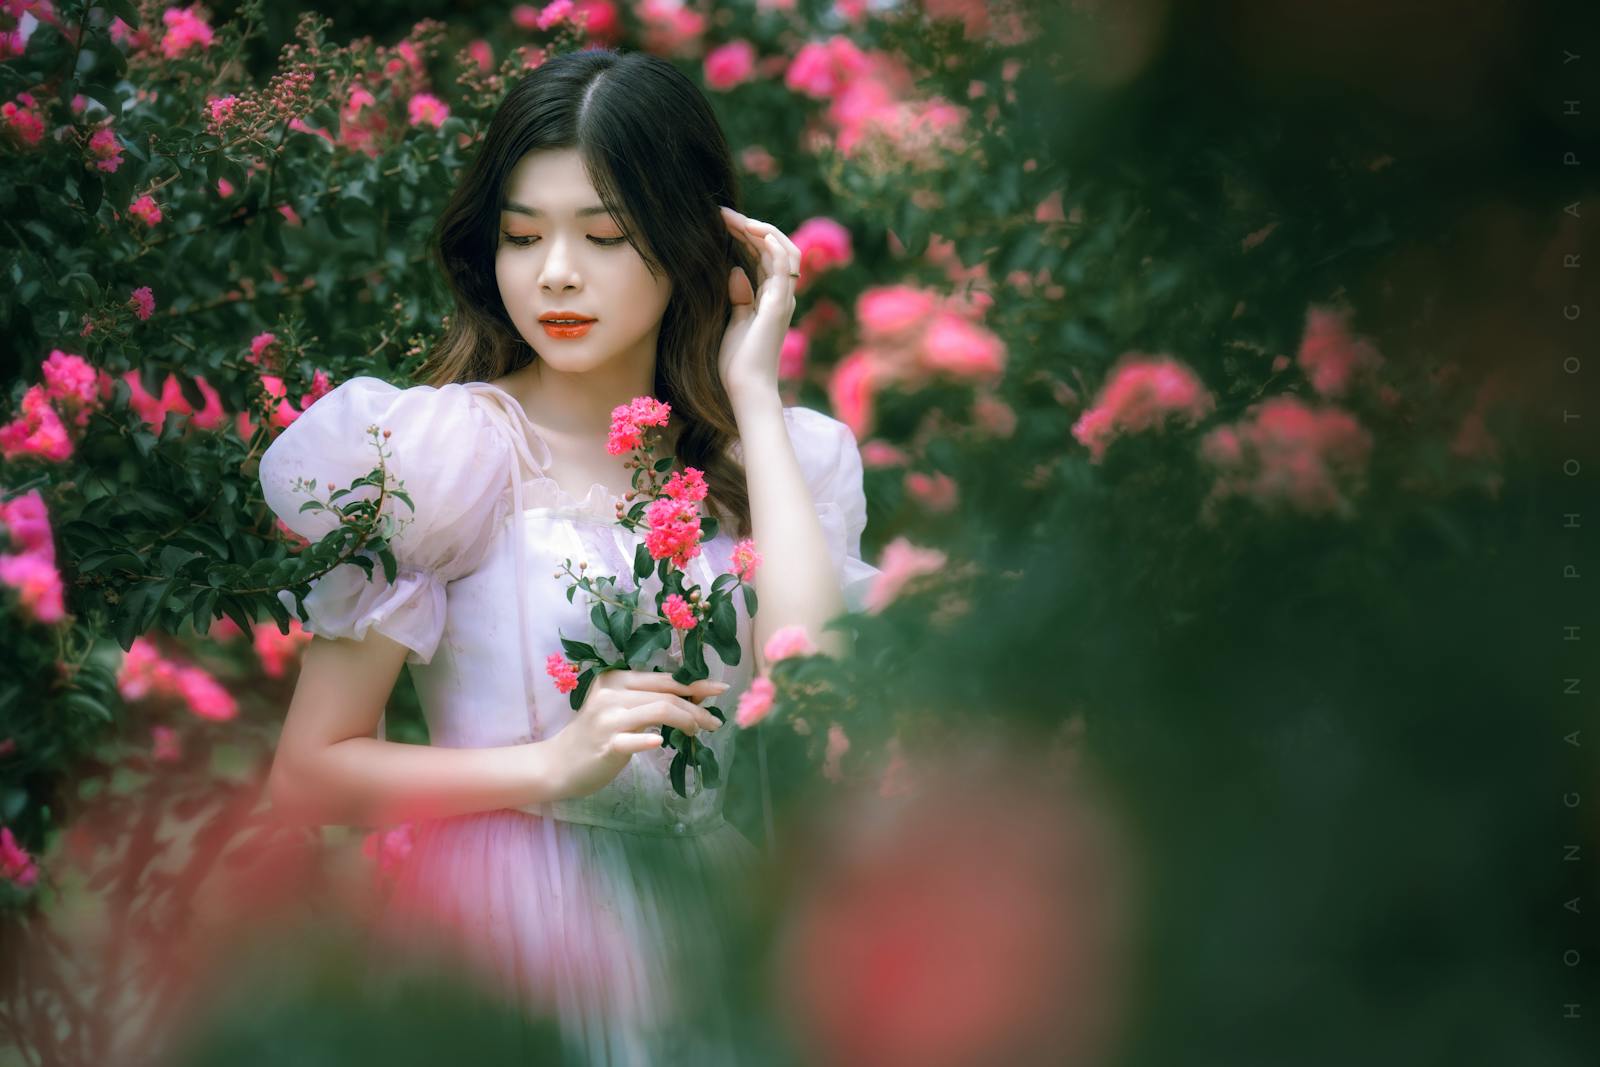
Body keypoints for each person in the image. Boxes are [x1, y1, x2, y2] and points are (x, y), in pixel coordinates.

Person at [256, 48, 879, 1065]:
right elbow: (309, 772)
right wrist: (549, 765)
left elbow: (810, 675)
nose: (553, 272)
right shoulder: (440, 454)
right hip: (493, 943)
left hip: (696, 942)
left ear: (684, 245)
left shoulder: (772, 462)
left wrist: (753, 392)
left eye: (602, 235)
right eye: (520, 236)